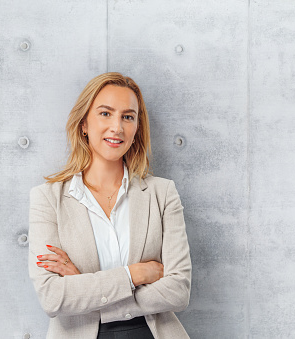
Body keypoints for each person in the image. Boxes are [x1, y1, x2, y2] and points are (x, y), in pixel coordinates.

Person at [28, 72, 192, 338]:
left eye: (128, 117)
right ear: (84, 123)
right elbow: (53, 298)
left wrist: (82, 284)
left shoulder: (162, 193)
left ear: (137, 127)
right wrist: (135, 274)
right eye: (105, 113)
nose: (117, 127)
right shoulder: (47, 199)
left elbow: (178, 291)